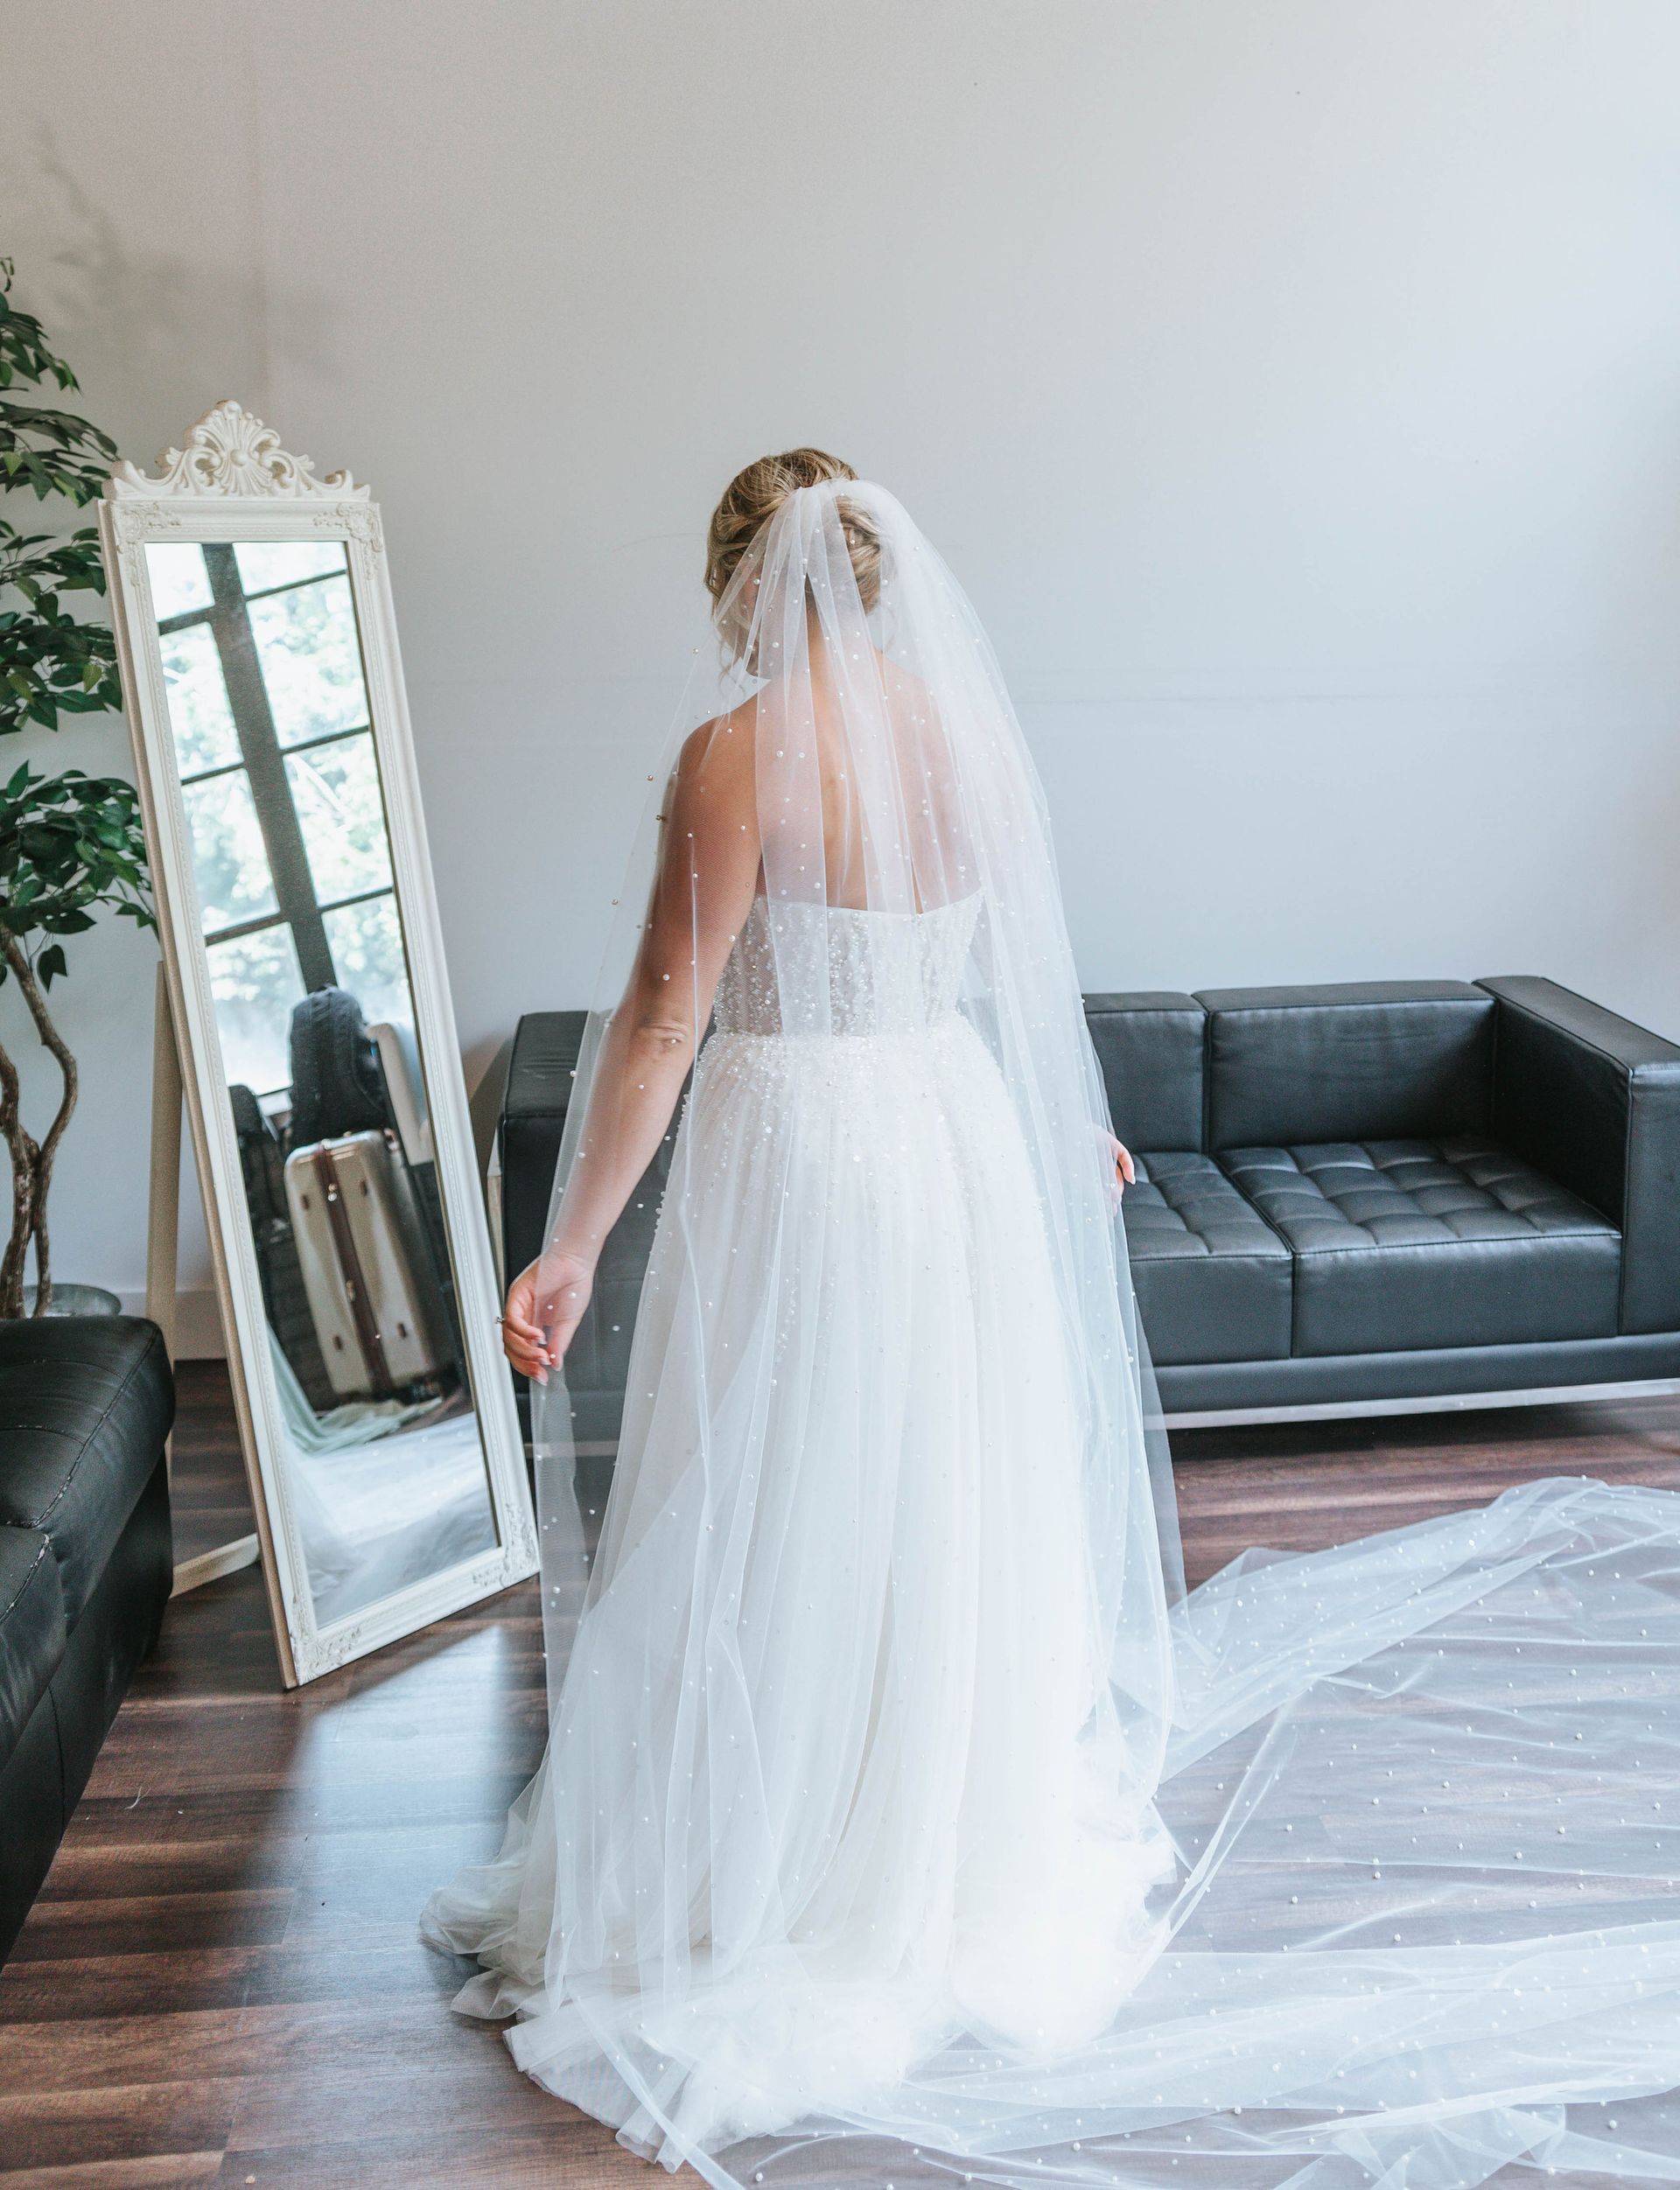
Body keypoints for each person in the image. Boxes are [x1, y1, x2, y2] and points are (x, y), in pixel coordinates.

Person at [425, 452, 1680, 2190]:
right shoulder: (973, 739)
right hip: (944, 1137)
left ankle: (789, 1863)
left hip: (801, 1146)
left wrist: (570, 1243)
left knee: (787, 1486)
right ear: (880, 579)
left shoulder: (737, 755)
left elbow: (657, 1015)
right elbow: (1015, 974)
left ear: (739, 583)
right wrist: (1045, 1110)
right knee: (938, 1483)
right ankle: (939, 1843)